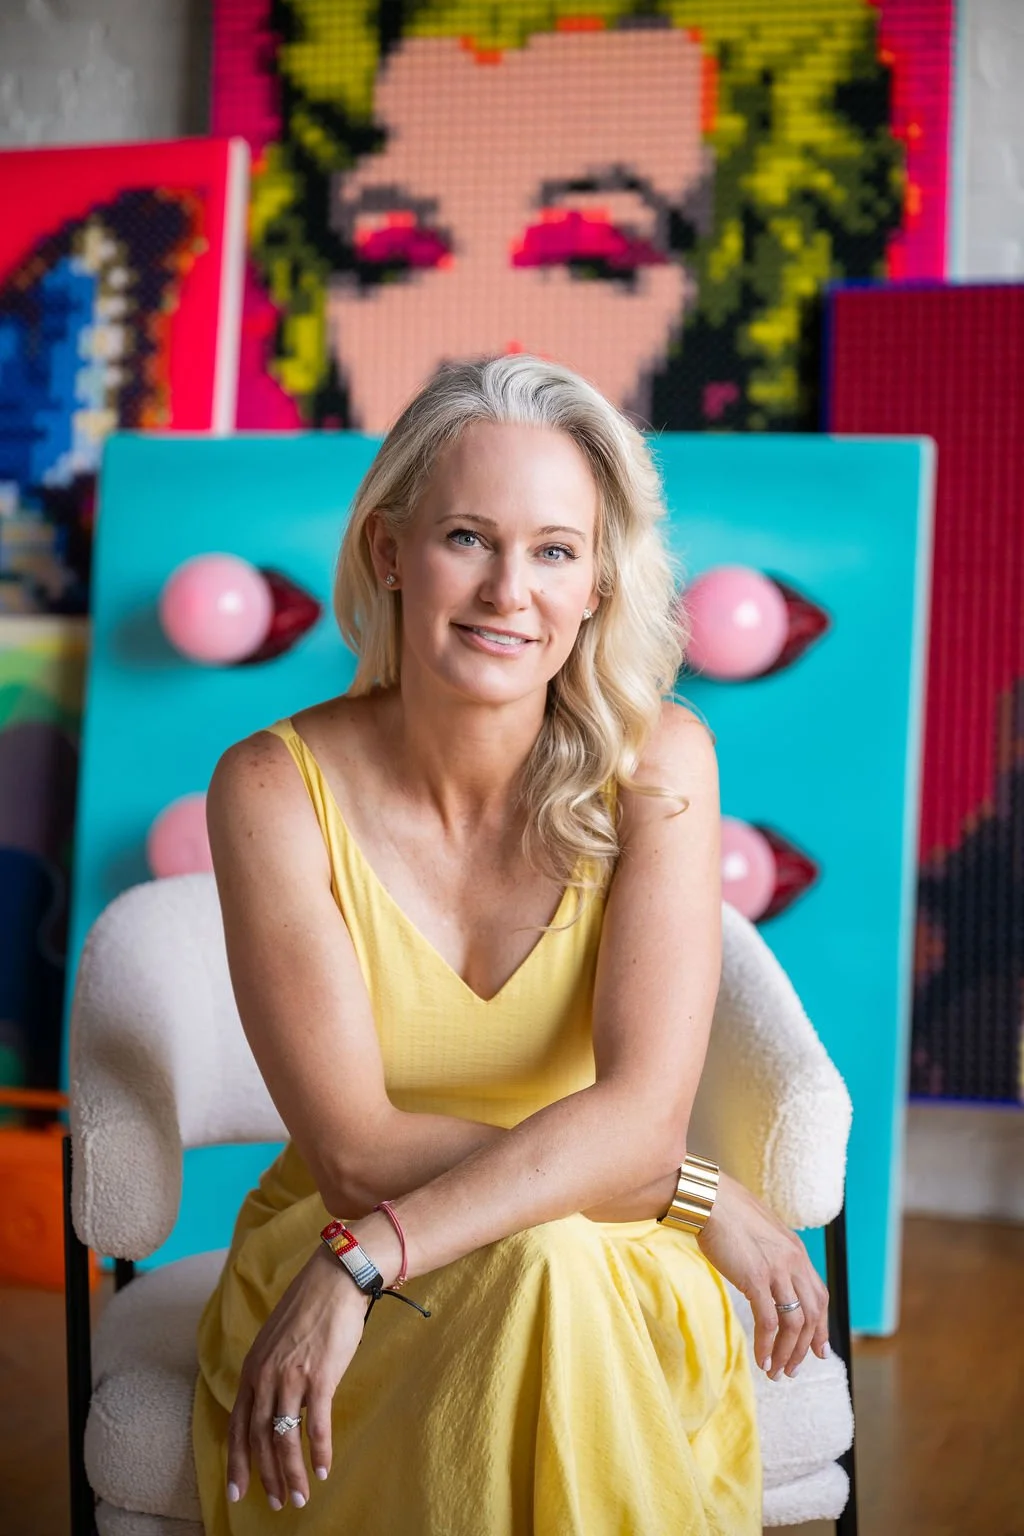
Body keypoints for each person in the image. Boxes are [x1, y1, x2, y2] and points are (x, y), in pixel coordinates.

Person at [193, 355, 830, 1534]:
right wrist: (689, 1192)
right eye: (468, 540)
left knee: (554, 1269)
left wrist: (366, 1259)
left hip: (590, 1264)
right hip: (361, 1242)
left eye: (553, 551)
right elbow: (357, 1152)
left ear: (596, 584)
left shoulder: (662, 766)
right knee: (542, 1264)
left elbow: (640, 1117)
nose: (507, 593)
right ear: (390, 553)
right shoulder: (270, 789)